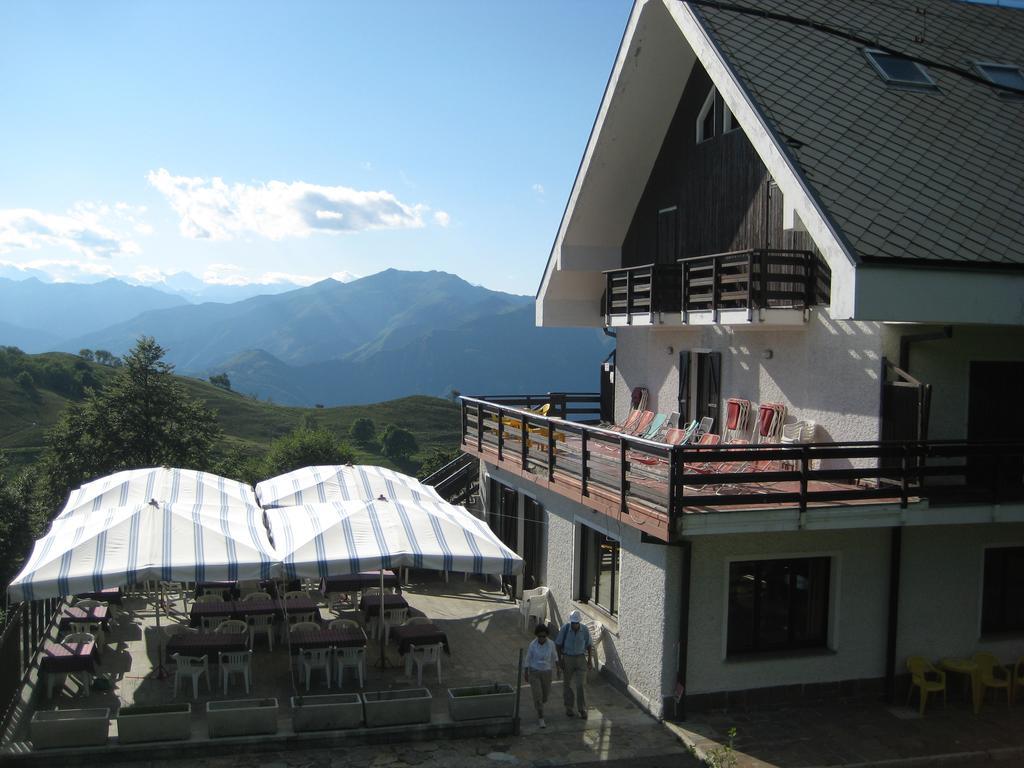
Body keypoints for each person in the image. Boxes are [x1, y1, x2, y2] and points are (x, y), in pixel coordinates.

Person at [555, 609, 593, 719]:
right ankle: (569, 707)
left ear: (579, 622)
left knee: (580, 684)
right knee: (567, 684)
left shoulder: (585, 630)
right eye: (573, 623)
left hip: (581, 658)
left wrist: (589, 660)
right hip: (568, 658)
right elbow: (558, 644)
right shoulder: (565, 629)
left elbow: (589, 645)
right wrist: (560, 659)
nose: (574, 625)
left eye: (576, 623)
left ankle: (582, 709)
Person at [524, 623, 559, 728]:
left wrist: (558, 669)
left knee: (544, 697)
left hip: (547, 672)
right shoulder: (532, 645)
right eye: (540, 636)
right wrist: (526, 672)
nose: (542, 638)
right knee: (538, 696)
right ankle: (541, 717)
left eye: (544, 636)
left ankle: (540, 705)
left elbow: (555, 656)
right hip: (534, 672)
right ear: (537, 636)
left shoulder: (551, 644)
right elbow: (528, 659)